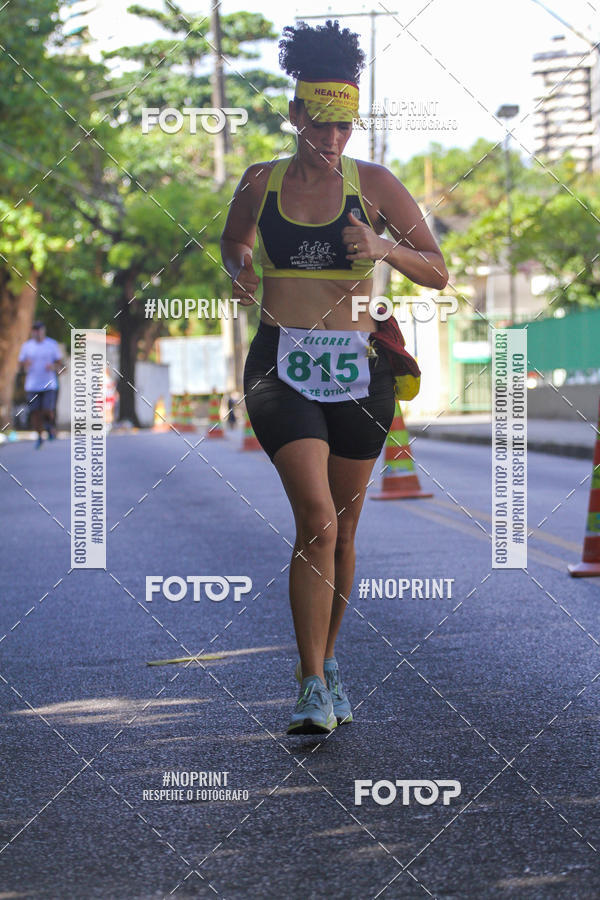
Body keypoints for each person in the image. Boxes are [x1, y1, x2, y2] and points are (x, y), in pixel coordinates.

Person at [221, 20, 448, 735]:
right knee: (315, 521)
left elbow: (437, 271)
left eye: (343, 127)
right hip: (279, 368)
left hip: (360, 370)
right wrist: (240, 270)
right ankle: (310, 682)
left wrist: (384, 245)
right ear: (294, 116)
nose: (331, 141)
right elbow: (232, 242)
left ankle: (329, 659)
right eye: (319, 125)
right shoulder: (261, 181)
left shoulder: (376, 185)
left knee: (345, 531)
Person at [18, 322, 64, 449]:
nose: (37, 333)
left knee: (47, 410)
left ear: (43, 331)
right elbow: (20, 365)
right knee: (35, 412)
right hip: (32, 385)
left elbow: (61, 365)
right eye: (35, 331)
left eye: (39, 330)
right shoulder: (27, 346)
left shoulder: (51, 345)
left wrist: (54, 367)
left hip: (49, 384)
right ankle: (39, 436)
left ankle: (50, 427)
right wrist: (24, 364)